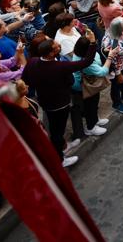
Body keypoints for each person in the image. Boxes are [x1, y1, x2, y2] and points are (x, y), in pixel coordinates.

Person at [22, 34, 96, 168]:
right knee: (57, 131)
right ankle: (60, 159)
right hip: (60, 104)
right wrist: (92, 43)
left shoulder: (32, 62)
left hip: (45, 101)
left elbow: (26, 79)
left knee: (55, 128)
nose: (59, 47)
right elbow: (86, 62)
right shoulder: (60, 66)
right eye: (56, 47)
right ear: (51, 53)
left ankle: (63, 146)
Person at [69, 37, 113, 138]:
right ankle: (91, 127)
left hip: (87, 83)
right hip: (84, 87)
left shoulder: (79, 53)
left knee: (94, 102)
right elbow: (102, 72)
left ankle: (95, 120)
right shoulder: (86, 62)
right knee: (90, 106)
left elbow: (96, 57)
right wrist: (110, 57)